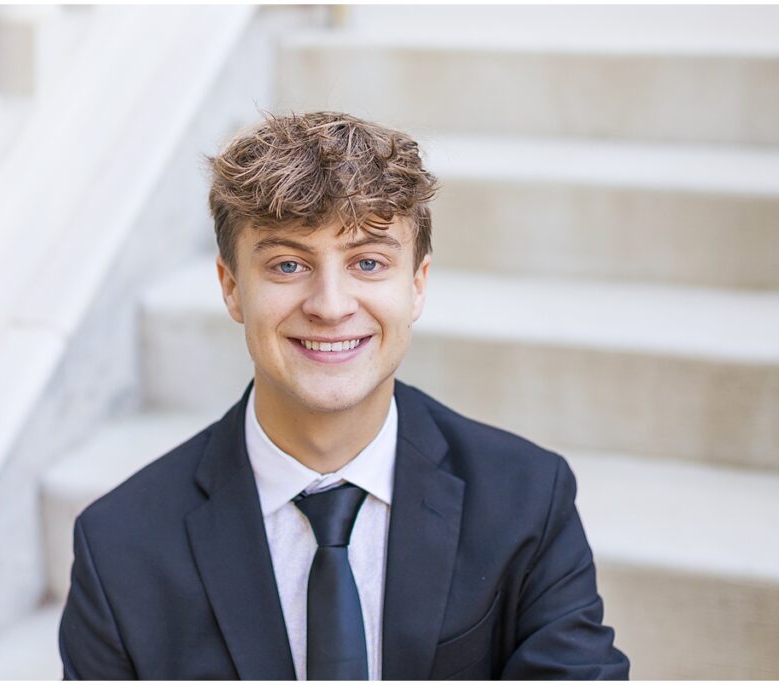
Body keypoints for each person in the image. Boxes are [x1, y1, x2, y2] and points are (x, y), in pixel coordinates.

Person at [58, 111, 630, 680]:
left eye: (368, 262)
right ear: (232, 289)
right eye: (287, 264)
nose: (330, 306)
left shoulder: (527, 498)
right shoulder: (119, 548)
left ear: (417, 285)